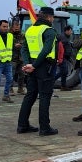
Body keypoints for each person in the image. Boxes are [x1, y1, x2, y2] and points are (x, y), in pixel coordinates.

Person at [17, 7, 59, 135]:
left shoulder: (30, 30)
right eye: (52, 17)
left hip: (32, 67)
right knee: (45, 96)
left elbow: (24, 49)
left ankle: (22, 125)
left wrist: (27, 64)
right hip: (44, 67)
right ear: (49, 17)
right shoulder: (49, 31)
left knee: (30, 95)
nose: (53, 19)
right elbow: (46, 50)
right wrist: (34, 65)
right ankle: (45, 128)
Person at [10, 20, 25, 95]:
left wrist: (21, 45)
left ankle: (20, 88)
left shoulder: (22, 35)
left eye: (18, 25)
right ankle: (10, 89)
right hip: (12, 58)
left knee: (22, 74)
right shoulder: (9, 35)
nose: (17, 27)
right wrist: (14, 46)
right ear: (12, 27)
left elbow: (25, 44)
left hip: (21, 58)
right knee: (11, 74)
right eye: (15, 26)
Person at [56, 25, 74, 91]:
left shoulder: (66, 37)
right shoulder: (62, 38)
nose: (71, 32)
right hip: (62, 57)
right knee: (64, 71)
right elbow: (60, 49)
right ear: (66, 31)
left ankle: (63, 86)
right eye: (70, 31)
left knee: (64, 72)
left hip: (65, 57)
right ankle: (51, 81)